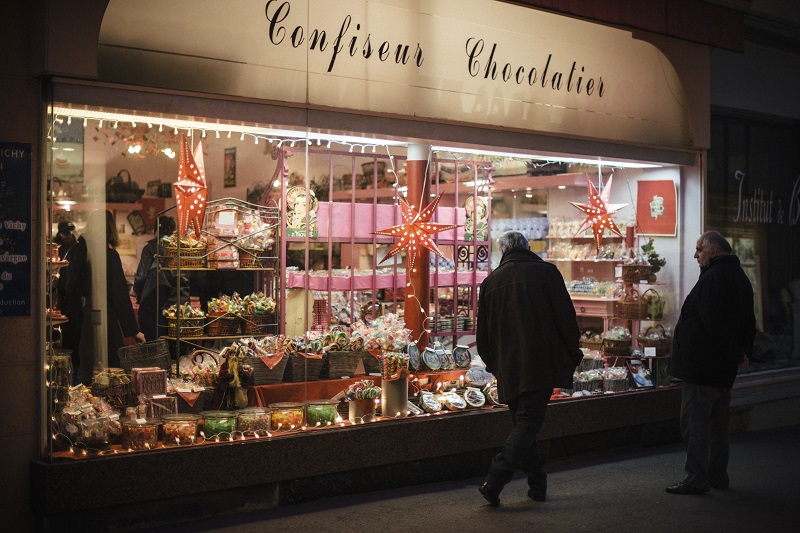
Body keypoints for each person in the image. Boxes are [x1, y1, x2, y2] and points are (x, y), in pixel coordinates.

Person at [476, 231, 583, 506]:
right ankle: (495, 480)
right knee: (527, 424)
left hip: (508, 367)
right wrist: (572, 353)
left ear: (503, 251)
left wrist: (495, 365)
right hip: (540, 362)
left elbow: (483, 336)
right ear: (527, 247)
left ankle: (537, 484)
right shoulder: (547, 273)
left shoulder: (490, 282)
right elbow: (566, 318)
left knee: (523, 424)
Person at [666, 231, 755, 495]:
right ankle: (717, 475)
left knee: (695, 424)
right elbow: (748, 321)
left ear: (712, 251)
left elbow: (713, 322)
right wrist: (742, 355)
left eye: (699, 249)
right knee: (718, 425)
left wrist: (736, 354)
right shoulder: (739, 277)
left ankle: (697, 477)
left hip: (702, 367)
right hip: (722, 368)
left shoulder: (713, 278)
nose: (696, 255)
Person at [133, 216, 188, 341]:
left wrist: (136, 290)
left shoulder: (151, 248)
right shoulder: (182, 249)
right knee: (176, 347)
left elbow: (141, 277)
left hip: (154, 309)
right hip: (179, 309)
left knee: (153, 347)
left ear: (156, 230)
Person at [103, 210, 145, 367]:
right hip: (106, 325)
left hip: (80, 329)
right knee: (111, 370)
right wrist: (133, 331)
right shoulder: (110, 256)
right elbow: (120, 296)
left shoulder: (77, 252)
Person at [53, 220, 89, 378]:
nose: (69, 235)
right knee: (68, 337)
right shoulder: (63, 249)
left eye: (70, 231)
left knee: (72, 337)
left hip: (70, 299)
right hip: (66, 299)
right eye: (65, 232)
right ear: (60, 234)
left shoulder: (75, 248)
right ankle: (67, 370)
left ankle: (71, 369)